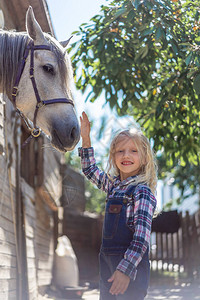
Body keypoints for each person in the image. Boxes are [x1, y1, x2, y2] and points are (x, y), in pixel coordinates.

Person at [79, 111, 157, 300]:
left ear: (145, 157)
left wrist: (125, 270)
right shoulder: (113, 186)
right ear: (113, 156)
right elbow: (89, 169)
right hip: (107, 261)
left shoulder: (142, 192)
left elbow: (141, 239)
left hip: (130, 267)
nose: (126, 155)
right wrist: (86, 138)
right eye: (120, 151)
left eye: (133, 150)